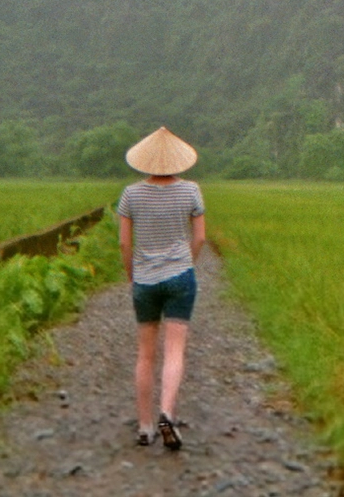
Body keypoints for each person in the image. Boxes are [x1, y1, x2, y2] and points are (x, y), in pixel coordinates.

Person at [117, 126, 206, 451]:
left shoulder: (130, 194)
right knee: (175, 350)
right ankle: (167, 412)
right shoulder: (192, 191)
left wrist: (132, 275)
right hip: (181, 275)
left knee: (145, 353)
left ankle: (144, 426)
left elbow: (124, 244)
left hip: (145, 280)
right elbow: (200, 238)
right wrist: (188, 264)